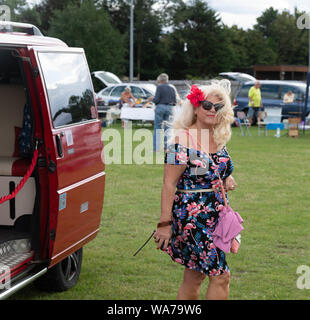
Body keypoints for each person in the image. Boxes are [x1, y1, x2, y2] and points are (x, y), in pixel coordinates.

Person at [153, 80, 237, 300]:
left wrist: (227, 179)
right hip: (193, 218)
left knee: (195, 275)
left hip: (216, 214)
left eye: (218, 107)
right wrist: (164, 224)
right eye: (207, 105)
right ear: (196, 107)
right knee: (221, 276)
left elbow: (211, 169)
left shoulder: (217, 137)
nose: (212, 111)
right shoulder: (179, 141)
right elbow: (168, 183)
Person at [149, 73, 176, 151]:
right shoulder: (172, 88)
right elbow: (174, 100)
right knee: (168, 128)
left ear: (160, 80)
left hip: (161, 107)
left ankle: (156, 148)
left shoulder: (159, 87)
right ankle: (167, 146)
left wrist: (152, 100)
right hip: (170, 108)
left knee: (157, 127)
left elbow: (156, 99)